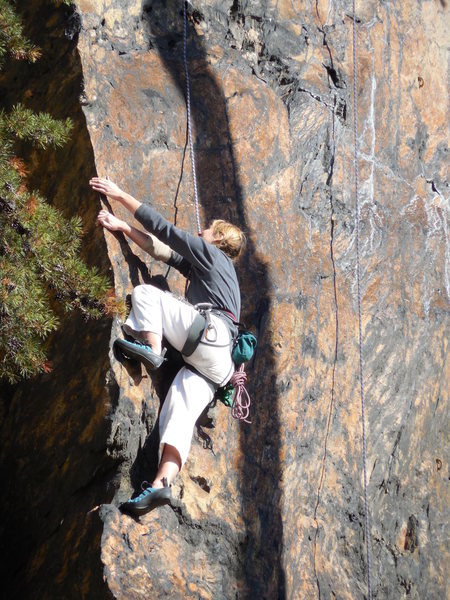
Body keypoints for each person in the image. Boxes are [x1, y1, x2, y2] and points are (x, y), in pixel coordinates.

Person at [89, 176, 246, 515]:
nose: (199, 232)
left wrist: (120, 195)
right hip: (217, 368)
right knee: (177, 412)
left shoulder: (212, 255)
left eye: (205, 230)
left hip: (207, 336)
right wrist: (123, 228)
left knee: (146, 294)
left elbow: (165, 230)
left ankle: (152, 349)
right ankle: (162, 483)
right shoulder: (217, 274)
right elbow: (165, 252)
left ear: (217, 238)